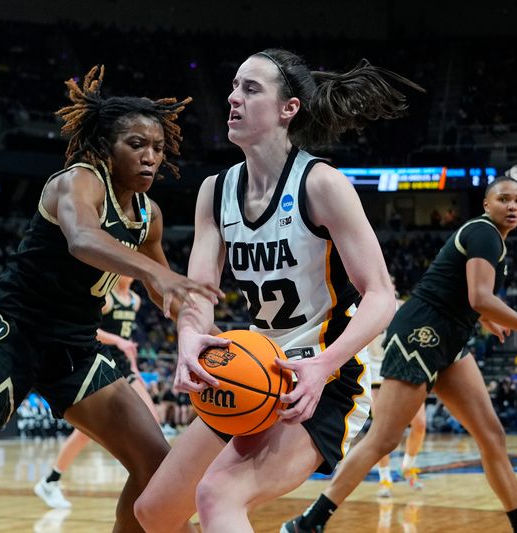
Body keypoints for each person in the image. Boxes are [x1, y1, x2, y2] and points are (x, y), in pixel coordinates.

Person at [0, 65, 223, 533]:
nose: (150, 157)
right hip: (12, 337)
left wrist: (208, 334)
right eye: (137, 145)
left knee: (157, 468)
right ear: (107, 147)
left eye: (158, 148)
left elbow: (164, 291)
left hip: (74, 349)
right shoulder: (78, 181)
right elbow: (83, 239)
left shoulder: (149, 216)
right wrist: (155, 272)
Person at [134, 48, 423, 533]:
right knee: (155, 512)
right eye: (233, 86)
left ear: (288, 108)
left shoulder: (322, 184)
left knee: (217, 494)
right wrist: (190, 338)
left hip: (324, 377)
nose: (233, 97)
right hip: (255, 368)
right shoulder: (216, 191)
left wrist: (323, 366)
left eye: (251, 88)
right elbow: (200, 293)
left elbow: (380, 295)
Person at [284, 176, 517, 533]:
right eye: (504, 199)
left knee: (492, 434)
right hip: (419, 333)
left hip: (449, 340)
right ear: (486, 204)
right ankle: (311, 521)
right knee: (384, 438)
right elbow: (479, 296)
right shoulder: (484, 233)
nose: (512, 206)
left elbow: (466, 295)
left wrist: (486, 318)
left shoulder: (494, 242)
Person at [34, 276, 161, 509]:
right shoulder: (107, 298)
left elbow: (128, 339)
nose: (129, 271)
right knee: (84, 434)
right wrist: (118, 341)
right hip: (104, 364)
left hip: (125, 366)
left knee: (154, 423)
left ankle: (146, 481)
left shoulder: (135, 301)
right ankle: (50, 481)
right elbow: (88, 329)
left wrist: (134, 367)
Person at [366, 297, 427, 498]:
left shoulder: (405, 307)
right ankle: (385, 478)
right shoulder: (361, 306)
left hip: (406, 367)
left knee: (420, 423)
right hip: (376, 373)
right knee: (382, 430)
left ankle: (408, 467)